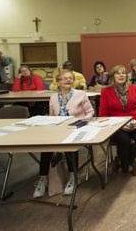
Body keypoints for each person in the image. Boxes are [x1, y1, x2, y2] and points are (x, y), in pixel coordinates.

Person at [33, 70, 94, 198]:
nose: (68, 80)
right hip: (58, 128)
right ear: (58, 82)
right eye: (65, 78)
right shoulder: (53, 97)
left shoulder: (80, 94)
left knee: (68, 144)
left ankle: (73, 176)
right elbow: (51, 116)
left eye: (70, 78)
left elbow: (90, 113)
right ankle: (43, 179)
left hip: (76, 127)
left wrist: (82, 121)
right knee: (46, 145)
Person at [99, 65, 136, 176]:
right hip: (116, 125)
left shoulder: (134, 88)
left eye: (123, 73)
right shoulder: (106, 92)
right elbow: (103, 115)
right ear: (112, 77)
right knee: (124, 141)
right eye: (118, 73)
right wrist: (120, 125)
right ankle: (128, 166)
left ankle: (122, 161)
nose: (121, 75)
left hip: (134, 121)